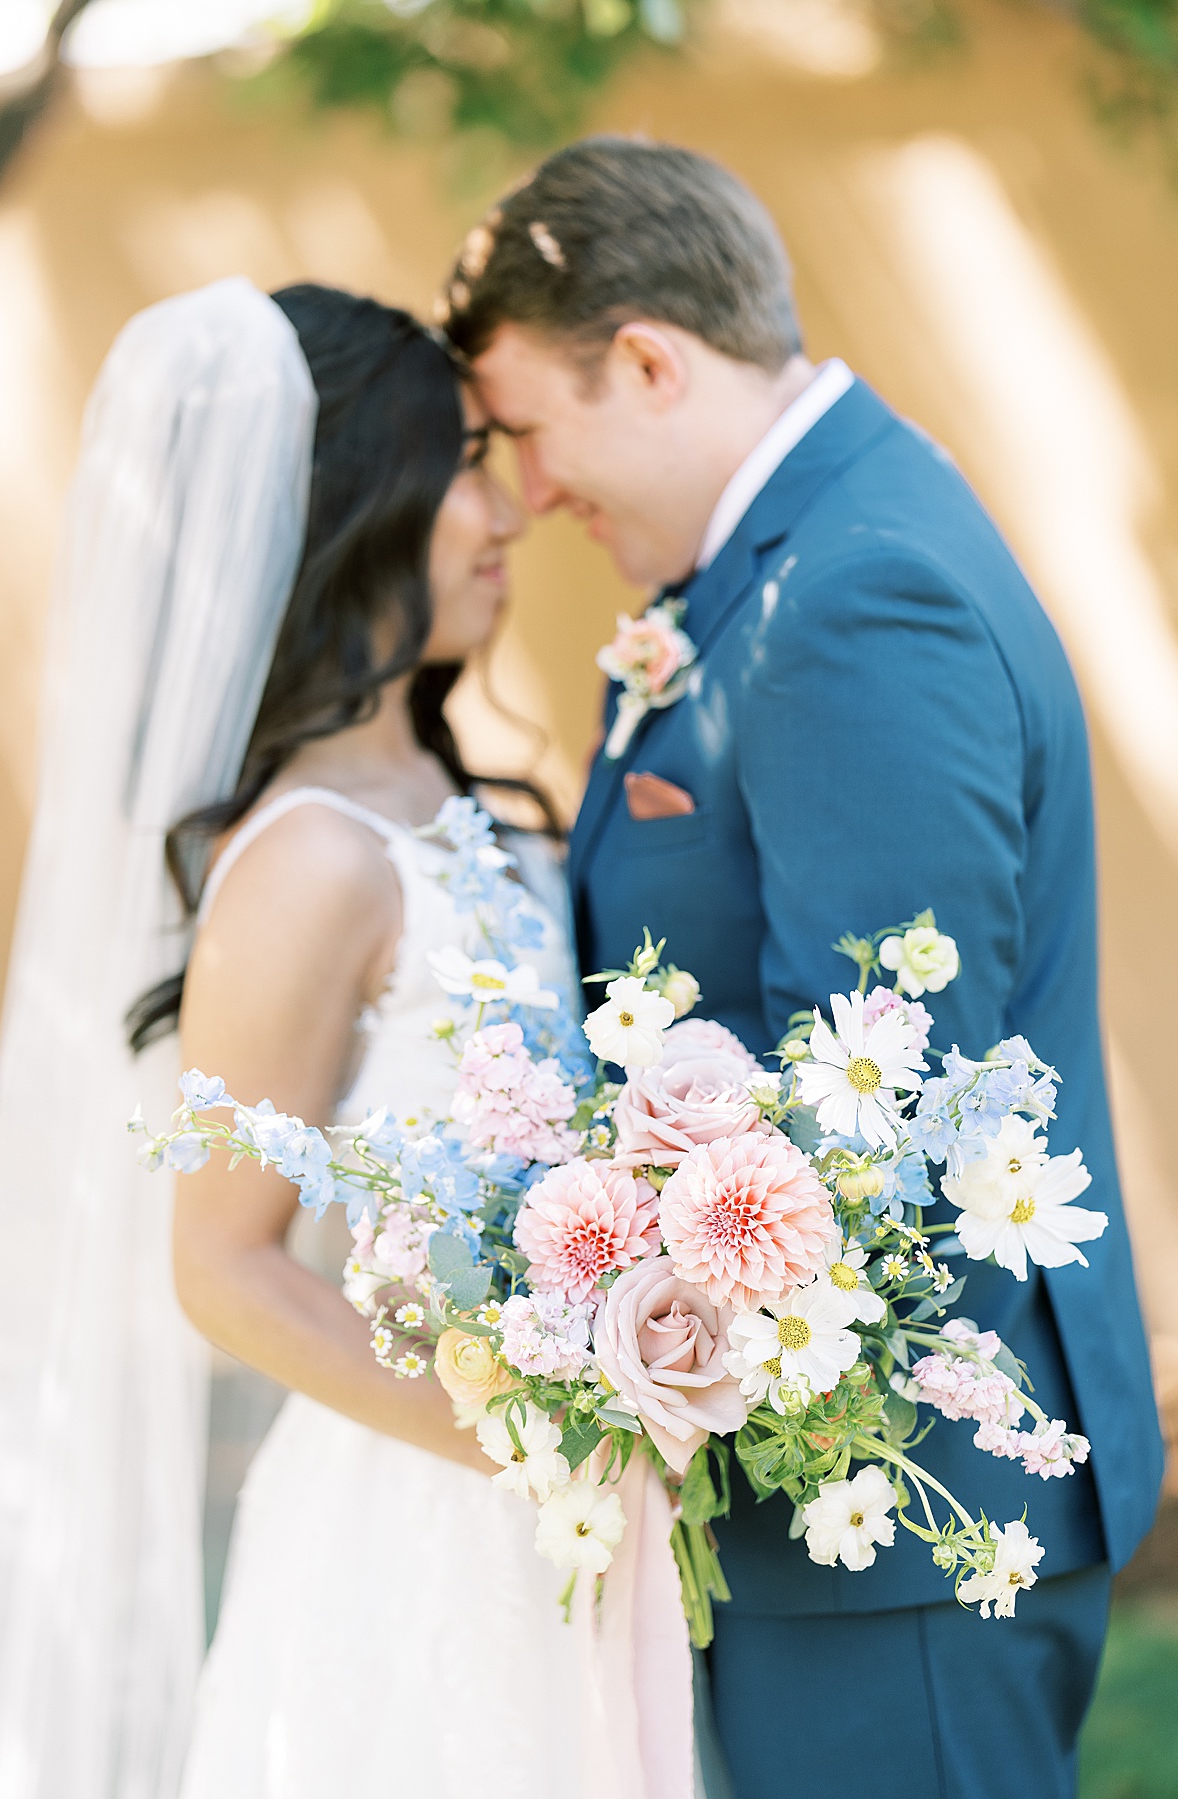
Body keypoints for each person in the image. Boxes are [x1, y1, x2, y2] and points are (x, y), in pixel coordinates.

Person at [443, 136, 1164, 1799]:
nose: (533, 491)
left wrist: (608, 1310)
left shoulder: (854, 596)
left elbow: (882, 1102)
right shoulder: (794, 555)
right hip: (819, 1515)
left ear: (646, 357)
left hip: (895, 1519)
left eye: (533, 429)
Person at [0, 277, 585, 1799]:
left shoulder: (450, 804)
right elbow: (225, 1265)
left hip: (559, 1506)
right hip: (426, 1519)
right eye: (459, 459)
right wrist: (525, 1439)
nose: (505, 508)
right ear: (353, 499)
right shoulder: (311, 858)